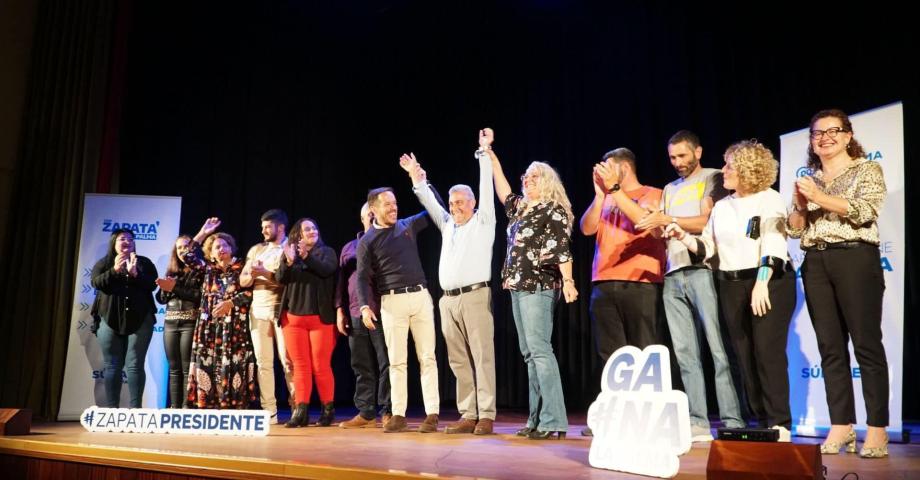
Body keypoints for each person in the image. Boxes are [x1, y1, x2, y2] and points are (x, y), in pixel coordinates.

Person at [666, 140, 795, 441]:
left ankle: (780, 422)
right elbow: (708, 248)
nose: (723, 170)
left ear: (748, 170)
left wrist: (762, 282)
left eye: (729, 166)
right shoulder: (722, 207)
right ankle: (760, 420)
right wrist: (683, 236)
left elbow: (773, 242)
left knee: (767, 351)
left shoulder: (769, 199)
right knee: (743, 353)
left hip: (768, 281)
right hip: (731, 284)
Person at [788, 109, 889, 458]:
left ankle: (877, 429)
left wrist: (817, 198)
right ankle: (841, 425)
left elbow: (865, 211)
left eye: (833, 131)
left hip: (855, 257)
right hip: (815, 260)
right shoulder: (808, 177)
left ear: (848, 136)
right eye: (817, 133)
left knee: (867, 345)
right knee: (830, 348)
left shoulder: (866, 169)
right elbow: (797, 228)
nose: (825, 137)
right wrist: (801, 205)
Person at [635, 130, 745, 441]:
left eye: (683, 155)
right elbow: (663, 230)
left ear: (698, 151)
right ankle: (697, 420)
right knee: (685, 352)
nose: (678, 162)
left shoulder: (714, 177)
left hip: (703, 268)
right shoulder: (669, 188)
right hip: (673, 272)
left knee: (718, 349)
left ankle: (733, 419)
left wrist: (666, 218)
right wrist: (653, 223)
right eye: (672, 157)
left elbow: (707, 221)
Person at [398, 127, 497, 435]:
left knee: (482, 356)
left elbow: (485, 185)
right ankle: (468, 413)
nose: (455, 207)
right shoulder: (448, 225)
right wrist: (416, 177)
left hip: (475, 296)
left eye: (461, 203)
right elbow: (430, 202)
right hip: (448, 299)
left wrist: (483, 153)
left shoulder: (483, 222)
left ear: (473, 203)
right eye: (452, 203)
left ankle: (487, 414)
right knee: (457, 358)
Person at [578, 148, 666, 436]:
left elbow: (645, 223)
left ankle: (646, 419)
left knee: (643, 351)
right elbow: (586, 228)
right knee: (611, 355)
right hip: (603, 282)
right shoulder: (606, 197)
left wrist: (615, 190)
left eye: (609, 167)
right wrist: (601, 194)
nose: (603, 172)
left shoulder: (653, 193)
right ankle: (614, 417)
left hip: (640, 282)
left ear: (624, 168)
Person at [491, 152, 578, 440]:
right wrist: (491, 154)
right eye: (525, 178)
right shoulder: (521, 209)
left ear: (548, 182)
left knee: (540, 350)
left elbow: (561, 248)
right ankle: (537, 419)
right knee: (529, 354)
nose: (527, 181)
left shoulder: (552, 209)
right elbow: (503, 189)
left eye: (534, 177)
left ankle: (554, 420)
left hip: (539, 284)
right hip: (517, 286)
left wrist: (568, 280)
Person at [356, 187, 440, 433]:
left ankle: (432, 413)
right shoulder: (367, 240)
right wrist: (364, 307)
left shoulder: (407, 225)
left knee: (428, 357)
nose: (394, 208)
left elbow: (434, 207)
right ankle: (399, 415)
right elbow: (362, 278)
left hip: (420, 296)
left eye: (394, 203)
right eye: (387, 205)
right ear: (373, 210)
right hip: (392, 302)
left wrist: (420, 181)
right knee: (396, 362)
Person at [184, 218, 258, 409]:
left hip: (235, 326)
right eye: (216, 247)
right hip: (210, 327)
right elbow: (186, 255)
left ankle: (235, 403)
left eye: (224, 245)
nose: (221, 249)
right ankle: (208, 403)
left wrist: (231, 303)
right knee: (208, 361)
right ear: (211, 253)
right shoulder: (208, 269)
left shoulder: (243, 266)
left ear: (232, 248)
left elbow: (251, 292)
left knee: (235, 362)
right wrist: (202, 232)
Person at [276, 218, 338, 427]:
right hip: (293, 319)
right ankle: (300, 412)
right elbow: (280, 278)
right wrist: (289, 261)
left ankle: (327, 410)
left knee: (321, 365)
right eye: (307, 229)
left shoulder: (326, 252)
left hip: (320, 319)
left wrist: (306, 256)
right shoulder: (290, 255)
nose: (312, 231)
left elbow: (326, 270)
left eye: (314, 227)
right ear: (298, 235)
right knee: (300, 366)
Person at [336, 203, 392, 428]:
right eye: (366, 214)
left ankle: (388, 410)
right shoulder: (349, 247)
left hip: (381, 308)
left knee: (386, 361)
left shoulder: (387, 241)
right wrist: (339, 309)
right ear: (361, 218)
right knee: (361, 364)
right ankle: (366, 412)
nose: (370, 216)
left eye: (373, 212)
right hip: (354, 310)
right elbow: (341, 281)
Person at [90, 228, 158, 408]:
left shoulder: (144, 262)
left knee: (135, 364)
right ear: (114, 242)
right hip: (108, 317)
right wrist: (114, 270)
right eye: (122, 239)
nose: (127, 241)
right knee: (112, 365)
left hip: (140, 319)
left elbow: (153, 285)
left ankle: (135, 410)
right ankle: (113, 410)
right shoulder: (104, 263)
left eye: (130, 239)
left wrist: (136, 274)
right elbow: (96, 283)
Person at [240, 209, 294, 424]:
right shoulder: (256, 250)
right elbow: (243, 280)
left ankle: (296, 406)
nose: (263, 231)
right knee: (263, 363)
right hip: (258, 310)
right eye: (262, 227)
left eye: (267, 227)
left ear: (280, 227)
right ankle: (269, 410)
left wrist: (263, 274)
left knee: (287, 362)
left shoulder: (289, 248)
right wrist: (253, 274)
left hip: (281, 309)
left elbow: (287, 281)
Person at [155, 234, 203, 408]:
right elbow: (161, 299)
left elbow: (199, 296)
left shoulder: (200, 271)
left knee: (185, 368)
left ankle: (186, 407)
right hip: (170, 323)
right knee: (173, 369)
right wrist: (166, 288)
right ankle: (174, 407)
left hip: (189, 322)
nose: (183, 251)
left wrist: (175, 288)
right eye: (179, 248)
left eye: (186, 247)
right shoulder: (172, 271)